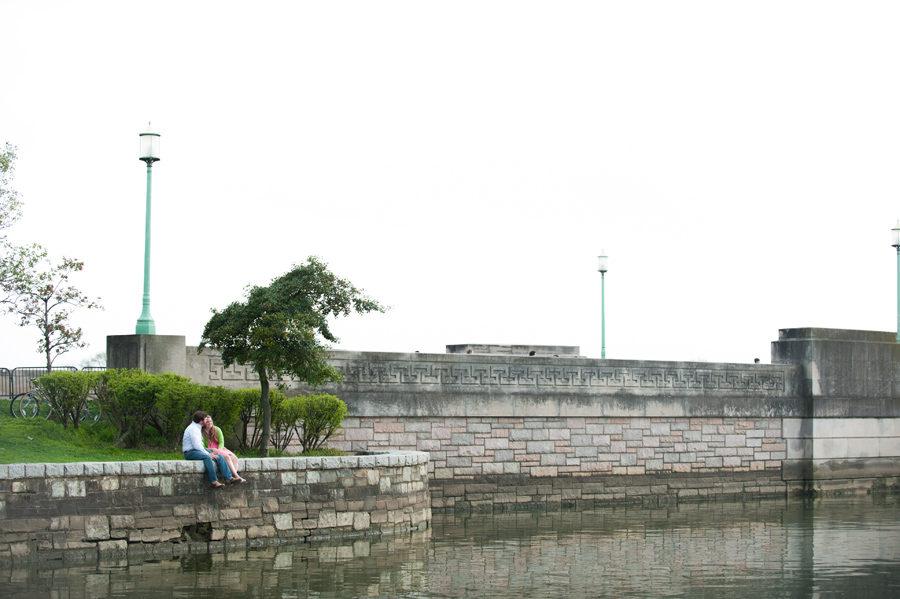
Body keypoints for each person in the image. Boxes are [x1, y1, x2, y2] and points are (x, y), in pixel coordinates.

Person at [183, 410, 235, 488]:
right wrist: (208, 453)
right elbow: (196, 446)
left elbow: (199, 446)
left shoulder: (197, 427)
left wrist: (210, 452)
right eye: (205, 419)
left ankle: (228, 478)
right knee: (207, 457)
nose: (206, 420)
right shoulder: (193, 429)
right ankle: (213, 482)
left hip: (197, 450)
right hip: (190, 452)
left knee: (219, 456)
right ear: (201, 421)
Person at [203, 417, 244, 483]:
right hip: (210, 449)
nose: (209, 423)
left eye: (210, 421)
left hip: (219, 448)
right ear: (204, 423)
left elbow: (221, 441)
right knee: (226, 456)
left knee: (234, 458)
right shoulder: (202, 432)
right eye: (207, 422)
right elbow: (203, 447)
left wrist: (219, 448)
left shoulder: (217, 429)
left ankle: (233, 477)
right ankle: (236, 476)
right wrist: (212, 449)